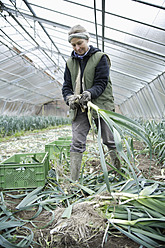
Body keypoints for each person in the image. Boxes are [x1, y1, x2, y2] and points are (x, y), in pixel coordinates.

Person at [62, 24, 120, 181]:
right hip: (80, 108)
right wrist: (69, 98)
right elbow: (66, 86)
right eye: (73, 45)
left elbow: (101, 83)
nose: (77, 47)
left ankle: (120, 172)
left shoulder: (100, 58)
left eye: (79, 43)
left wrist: (89, 93)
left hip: (100, 106)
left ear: (87, 40)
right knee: (76, 142)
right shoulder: (70, 62)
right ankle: (73, 181)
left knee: (109, 139)